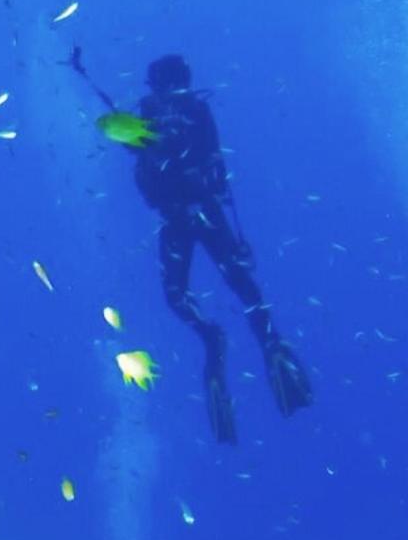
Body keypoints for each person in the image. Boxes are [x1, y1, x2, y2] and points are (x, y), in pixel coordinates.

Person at [131, 54, 310, 444]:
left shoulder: (178, 112)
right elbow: (150, 154)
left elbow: (193, 157)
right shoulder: (170, 111)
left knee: (213, 290)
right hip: (189, 215)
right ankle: (240, 341)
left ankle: (244, 343)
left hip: (190, 214)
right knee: (207, 291)